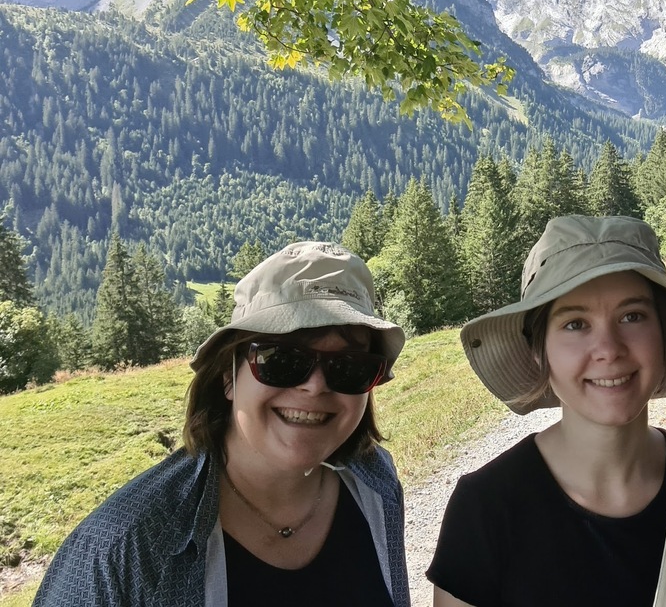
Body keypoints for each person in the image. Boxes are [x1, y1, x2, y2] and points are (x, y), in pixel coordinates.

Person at [428, 215, 666, 607]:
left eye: (632, 316)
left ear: (664, 333)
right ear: (538, 349)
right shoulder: (484, 510)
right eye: (575, 323)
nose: (609, 349)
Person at [33, 241, 410, 606]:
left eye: (349, 368)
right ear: (228, 377)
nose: (315, 386)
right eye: (281, 361)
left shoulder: (376, 484)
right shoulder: (124, 548)